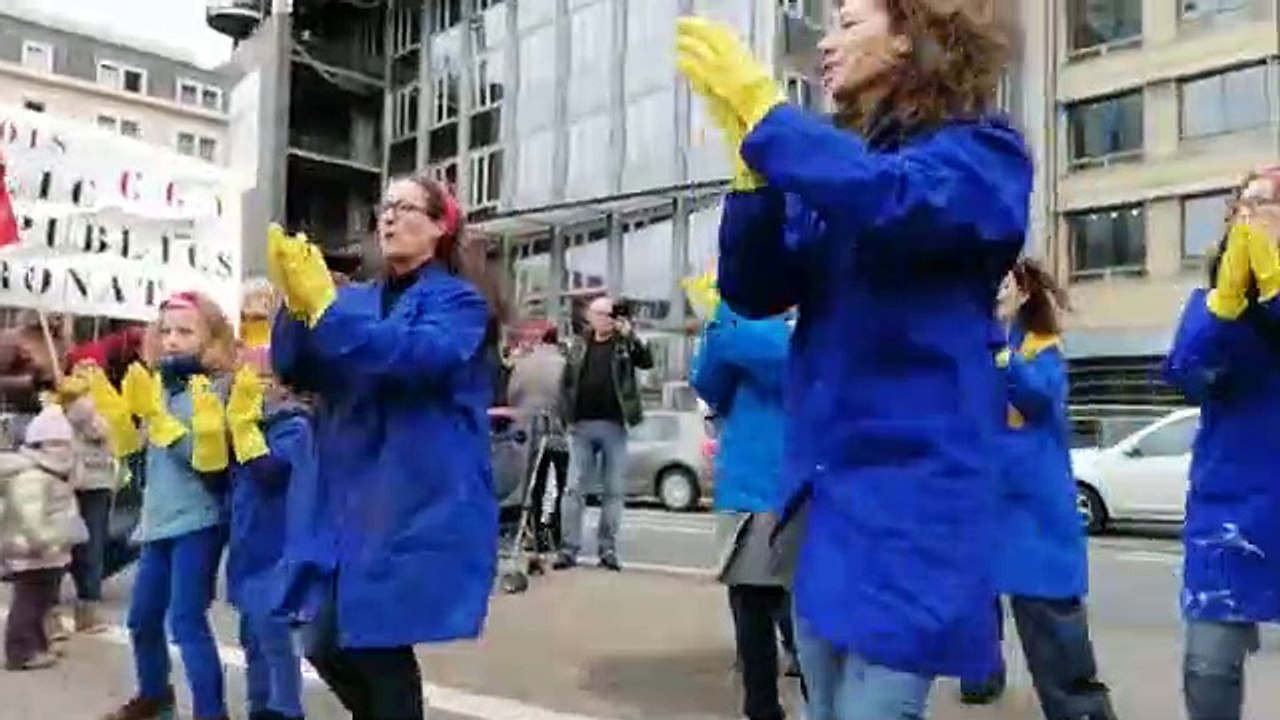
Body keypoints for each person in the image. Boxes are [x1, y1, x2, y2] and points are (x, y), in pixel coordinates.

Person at [676, 0, 1031, 716]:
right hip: (827, 493)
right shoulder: (845, 163)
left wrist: (769, 118)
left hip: (915, 494)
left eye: (847, 22)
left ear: (910, 37)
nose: (826, 44)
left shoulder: (983, 152)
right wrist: (754, 180)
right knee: (824, 703)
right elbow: (756, 288)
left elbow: (893, 200)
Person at [268, 174, 500, 720]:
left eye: (404, 207)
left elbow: (415, 356)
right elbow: (298, 368)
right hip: (347, 491)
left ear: (440, 226)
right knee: (324, 640)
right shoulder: (358, 300)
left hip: (412, 491)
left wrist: (327, 313)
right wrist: (297, 311)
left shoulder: (459, 302)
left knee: (376, 638)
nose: (389, 217)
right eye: (384, 207)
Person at [960, 259, 1115, 719]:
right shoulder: (974, 348)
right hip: (983, 511)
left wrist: (999, 352)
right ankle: (981, 676)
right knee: (972, 608)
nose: (992, 289)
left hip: (1035, 522)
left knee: (1056, 647)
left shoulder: (1042, 350)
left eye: (1002, 280)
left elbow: (1036, 397)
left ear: (1024, 292)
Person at [1163, 167, 1280, 720]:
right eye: (1250, 202)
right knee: (1208, 669)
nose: (1259, 214)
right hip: (1232, 510)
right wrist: (1226, 310)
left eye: (1273, 203)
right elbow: (1189, 375)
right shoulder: (1211, 301)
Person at [94, 291, 236, 720]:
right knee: (141, 620)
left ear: (210, 337)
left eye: (185, 331)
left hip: (198, 522)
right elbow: (148, 470)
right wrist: (126, 430)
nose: (172, 339)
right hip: (157, 522)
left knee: (187, 623)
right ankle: (156, 697)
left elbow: (208, 461)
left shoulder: (214, 387)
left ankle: (212, 713)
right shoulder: (160, 385)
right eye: (166, 331)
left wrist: (164, 424)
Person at [691, 298, 795, 720]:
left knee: (759, 600)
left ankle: (768, 705)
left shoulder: (731, 321)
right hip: (773, 480)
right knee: (772, 601)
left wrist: (729, 324)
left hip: (765, 481)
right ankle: (769, 705)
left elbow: (710, 380)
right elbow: (707, 381)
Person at [225, 345, 313, 720]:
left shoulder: (296, 426)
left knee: (273, 632)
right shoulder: (255, 426)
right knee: (251, 635)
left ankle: (284, 707)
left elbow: (271, 472)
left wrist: (245, 430)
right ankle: (259, 704)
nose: (254, 389)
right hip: (249, 542)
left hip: (276, 545)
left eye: (262, 379)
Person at [554, 296, 654, 571]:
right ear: (591, 316)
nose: (606, 319)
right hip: (581, 425)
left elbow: (647, 361)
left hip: (614, 424)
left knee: (613, 489)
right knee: (574, 487)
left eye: (611, 315)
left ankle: (607, 548)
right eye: (601, 314)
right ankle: (568, 548)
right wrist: (565, 416)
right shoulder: (579, 344)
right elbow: (566, 382)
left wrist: (631, 334)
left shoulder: (624, 344)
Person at [0, 402, 87, 671]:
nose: (66, 451)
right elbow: (29, 517)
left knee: (43, 600)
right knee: (29, 601)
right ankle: (21, 650)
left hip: (50, 552)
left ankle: (38, 645)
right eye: (58, 444)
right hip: (32, 552)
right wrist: (45, 541)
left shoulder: (54, 474)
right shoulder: (32, 476)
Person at [52, 363, 115, 636]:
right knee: (76, 548)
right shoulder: (56, 415)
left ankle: (75, 610)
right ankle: (76, 610)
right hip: (75, 484)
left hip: (87, 485)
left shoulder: (87, 413)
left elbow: (102, 435)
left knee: (75, 548)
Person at [507, 325, 570, 556]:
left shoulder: (522, 364)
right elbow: (568, 396)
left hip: (527, 427)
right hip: (555, 428)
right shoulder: (564, 364)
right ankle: (553, 530)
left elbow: (512, 393)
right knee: (559, 484)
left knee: (534, 482)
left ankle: (532, 532)